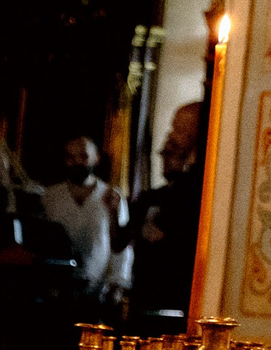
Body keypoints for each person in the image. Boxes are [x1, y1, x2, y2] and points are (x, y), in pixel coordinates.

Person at [128, 102, 206, 324]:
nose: (172, 135)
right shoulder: (153, 196)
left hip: (175, 292)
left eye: (179, 129)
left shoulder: (193, 187)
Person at [40, 135, 131, 298]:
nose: (76, 163)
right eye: (70, 157)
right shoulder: (50, 197)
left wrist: (118, 283)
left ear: (95, 158)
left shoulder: (112, 196)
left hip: (100, 290)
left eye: (83, 156)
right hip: (58, 290)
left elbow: (121, 245)